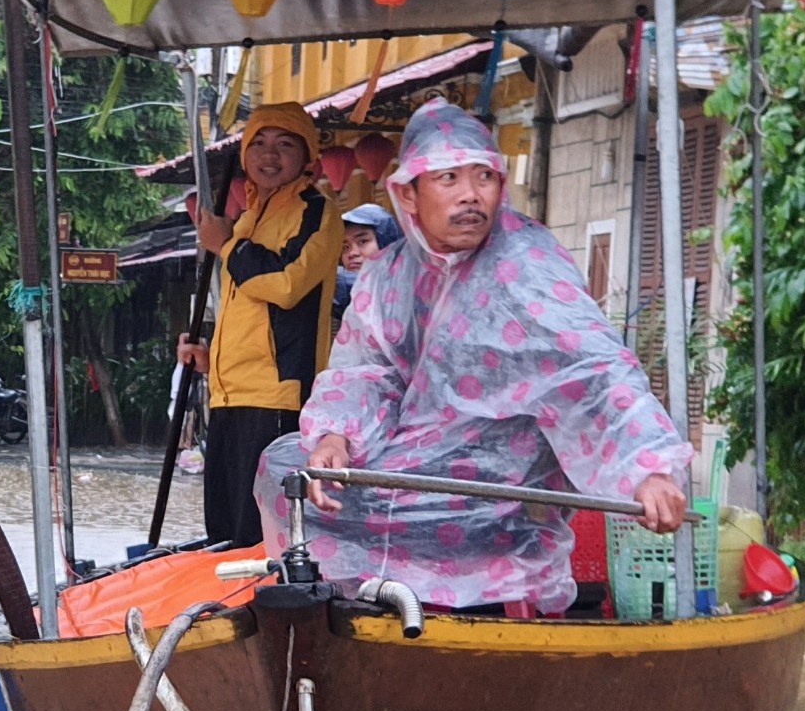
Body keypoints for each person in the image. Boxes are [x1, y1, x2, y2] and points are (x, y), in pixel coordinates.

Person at [257, 98, 690, 616]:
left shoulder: (527, 264)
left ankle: (467, 601)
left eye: (483, 176)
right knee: (284, 465)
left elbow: (596, 370)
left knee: (439, 500)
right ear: (409, 193)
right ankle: (353, 602)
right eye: (448, 178)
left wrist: (649, 469)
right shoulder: (387, 273)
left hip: (500, 473)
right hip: (410, 455)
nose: (470, 195)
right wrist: (335, 437)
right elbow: (366, 371)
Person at [175, 102, 344, 546]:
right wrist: (211, 359)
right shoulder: (248, 218)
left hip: (278, 397)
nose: (269, 155)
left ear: (307, 157)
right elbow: (252, 315)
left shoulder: (316, 210)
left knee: (263, 533)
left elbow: (288, 285)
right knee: (225, 526)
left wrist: (227, 245)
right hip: (231, 396)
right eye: (259, 144)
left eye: (285, 144)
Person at [332, 201, 401, 333]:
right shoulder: (345, 293)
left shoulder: (408, 284)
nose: (352, 253)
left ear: (386, 242)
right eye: (345, 247)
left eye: (362, 242)